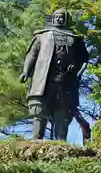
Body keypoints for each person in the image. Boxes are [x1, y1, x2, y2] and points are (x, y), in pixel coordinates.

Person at [19, 9, 89, 140]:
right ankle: (36, 137)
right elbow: (32, 54)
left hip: (66, 82)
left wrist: (77, 72)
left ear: (67, 19)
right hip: (44, 80)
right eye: (56, 17)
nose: (58, 19)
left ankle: (61, 140)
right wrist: (25, 71)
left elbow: (84, 59)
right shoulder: (42, 35)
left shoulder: (76, 40)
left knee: (63, 112)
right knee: (39, 110)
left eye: (61, 17)